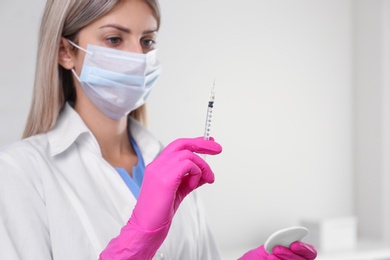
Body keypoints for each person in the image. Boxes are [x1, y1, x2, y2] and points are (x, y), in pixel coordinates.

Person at [0, 0, 318, 259]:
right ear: (65, 52)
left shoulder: (170, 164)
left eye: (147, 41)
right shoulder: (19, 173)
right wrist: (137, 238)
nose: (138, 57)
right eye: (114, 39)